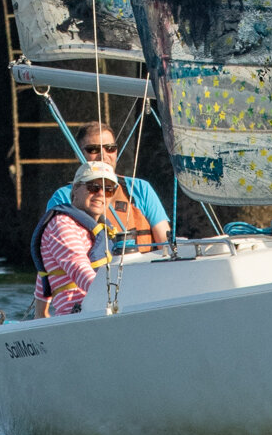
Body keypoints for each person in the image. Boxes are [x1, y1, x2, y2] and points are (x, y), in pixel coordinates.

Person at [42, 118, 171, 251]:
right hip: (91, 269)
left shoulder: (140, 189)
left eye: (110, 148)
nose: (103, 156)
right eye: (93, 149)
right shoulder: (62, 197)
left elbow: (165, 245)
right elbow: (59, 246)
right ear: (77, 154)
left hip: (142, 269)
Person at [36, 163, 117, 316]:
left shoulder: (101, 229)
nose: (101, 194)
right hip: (78, 317)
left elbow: (43, 274)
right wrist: (121, 300)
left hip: (101, 311)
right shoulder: (61, 224)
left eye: (109, 189)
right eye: (93, 187)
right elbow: (79, 268)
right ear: (75, 190)